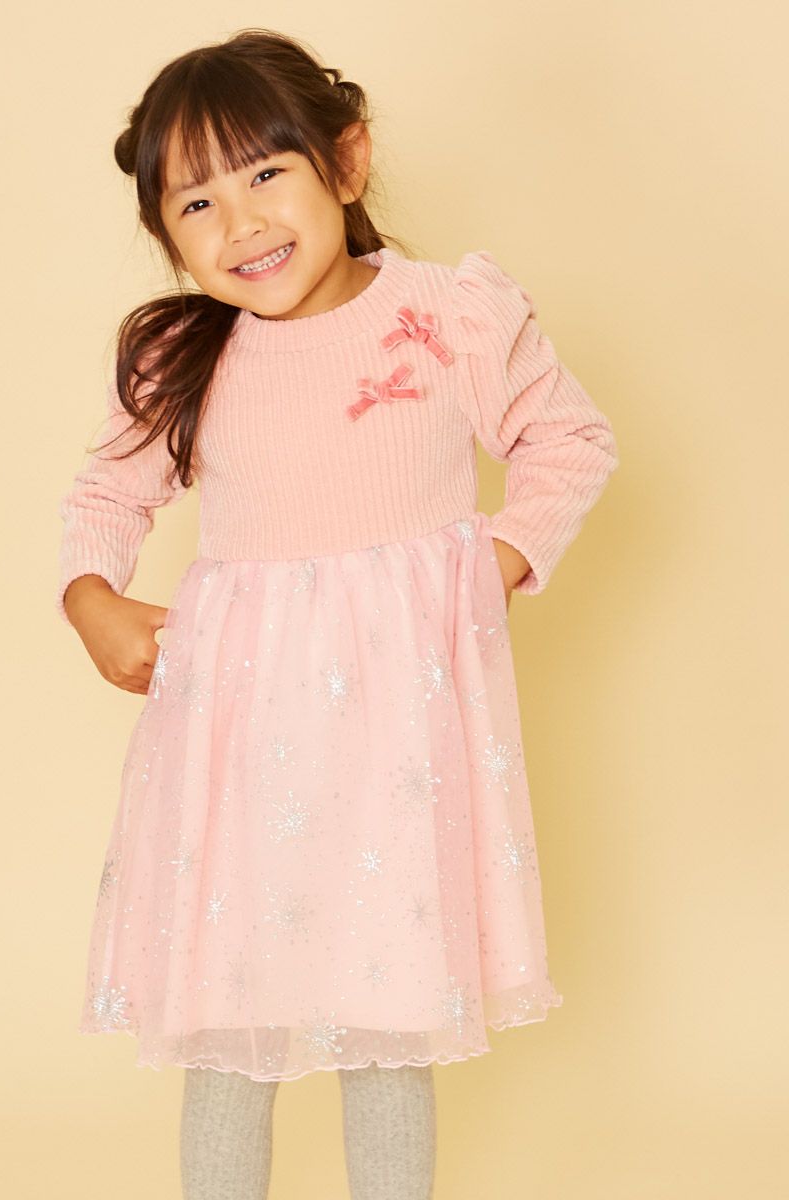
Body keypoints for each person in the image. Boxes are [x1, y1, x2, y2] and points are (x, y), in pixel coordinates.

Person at [55, 27, 619, 1200]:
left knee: (388, 1016)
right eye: (197, 203)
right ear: (166, 235)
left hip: (394, 738)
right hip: (238, 736)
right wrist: (89, 595)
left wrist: (497, 561)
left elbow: (566, 438)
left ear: (346, 162)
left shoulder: (447, 316)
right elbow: (107, 493)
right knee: (226, 1021)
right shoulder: (184, 356)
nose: (242, 223)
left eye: (267, 174)